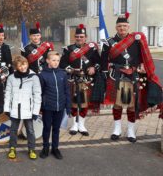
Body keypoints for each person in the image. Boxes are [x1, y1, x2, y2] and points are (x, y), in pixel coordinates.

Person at [100, 12, 163, 143]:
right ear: (116, 27)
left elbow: (143, 57)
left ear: (128, 26)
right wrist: (105, 75)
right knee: (117, 104)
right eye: (119, 26)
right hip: (116, 75)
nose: (122, 28)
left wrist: (142, 67)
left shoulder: (136, 40)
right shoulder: (108, 42)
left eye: (124, 26)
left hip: (133, 75)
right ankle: (116, 129)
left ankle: (130, 130)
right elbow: (103, 61)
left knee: (131, 105)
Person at [60, 24, 101, 136]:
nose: (79, 38)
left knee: (84, 103)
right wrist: (71, 70)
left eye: (81, 37)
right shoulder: (68, 49)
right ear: (74, 37)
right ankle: (74, 124)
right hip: (73, 79)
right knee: (73, 103)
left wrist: (93, 68)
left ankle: (82, 125)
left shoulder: (92, 49)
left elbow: (98, 62)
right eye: (77, 36)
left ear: (85, 37)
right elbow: (62, 64)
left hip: (87, 80)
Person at [4, 56, 42, 160]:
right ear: (16, 67)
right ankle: (12, 147)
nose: (22, 67)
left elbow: (37, 95)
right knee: (13, 130)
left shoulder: (34, 77)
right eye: (19, 65)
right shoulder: (11, 77)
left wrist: (35, 111)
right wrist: (7, 108)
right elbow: (8, 93)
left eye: (24, 64)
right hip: (15, 109)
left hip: (28, 110)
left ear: (27, 64)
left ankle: (32, 149)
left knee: (30, 130)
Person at [38, 51, 70, 160]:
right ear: (47, 61)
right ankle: (45, 147)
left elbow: (67, 91)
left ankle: (55, 148)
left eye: (57, 60)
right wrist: (40, 108)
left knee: (56, 129)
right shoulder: (42, 75)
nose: (56, 62)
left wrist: (68, 107)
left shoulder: (63, 74)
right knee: (47, 128)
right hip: (48, 107)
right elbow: (40, 93)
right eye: (53, 60)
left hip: (60, 107)